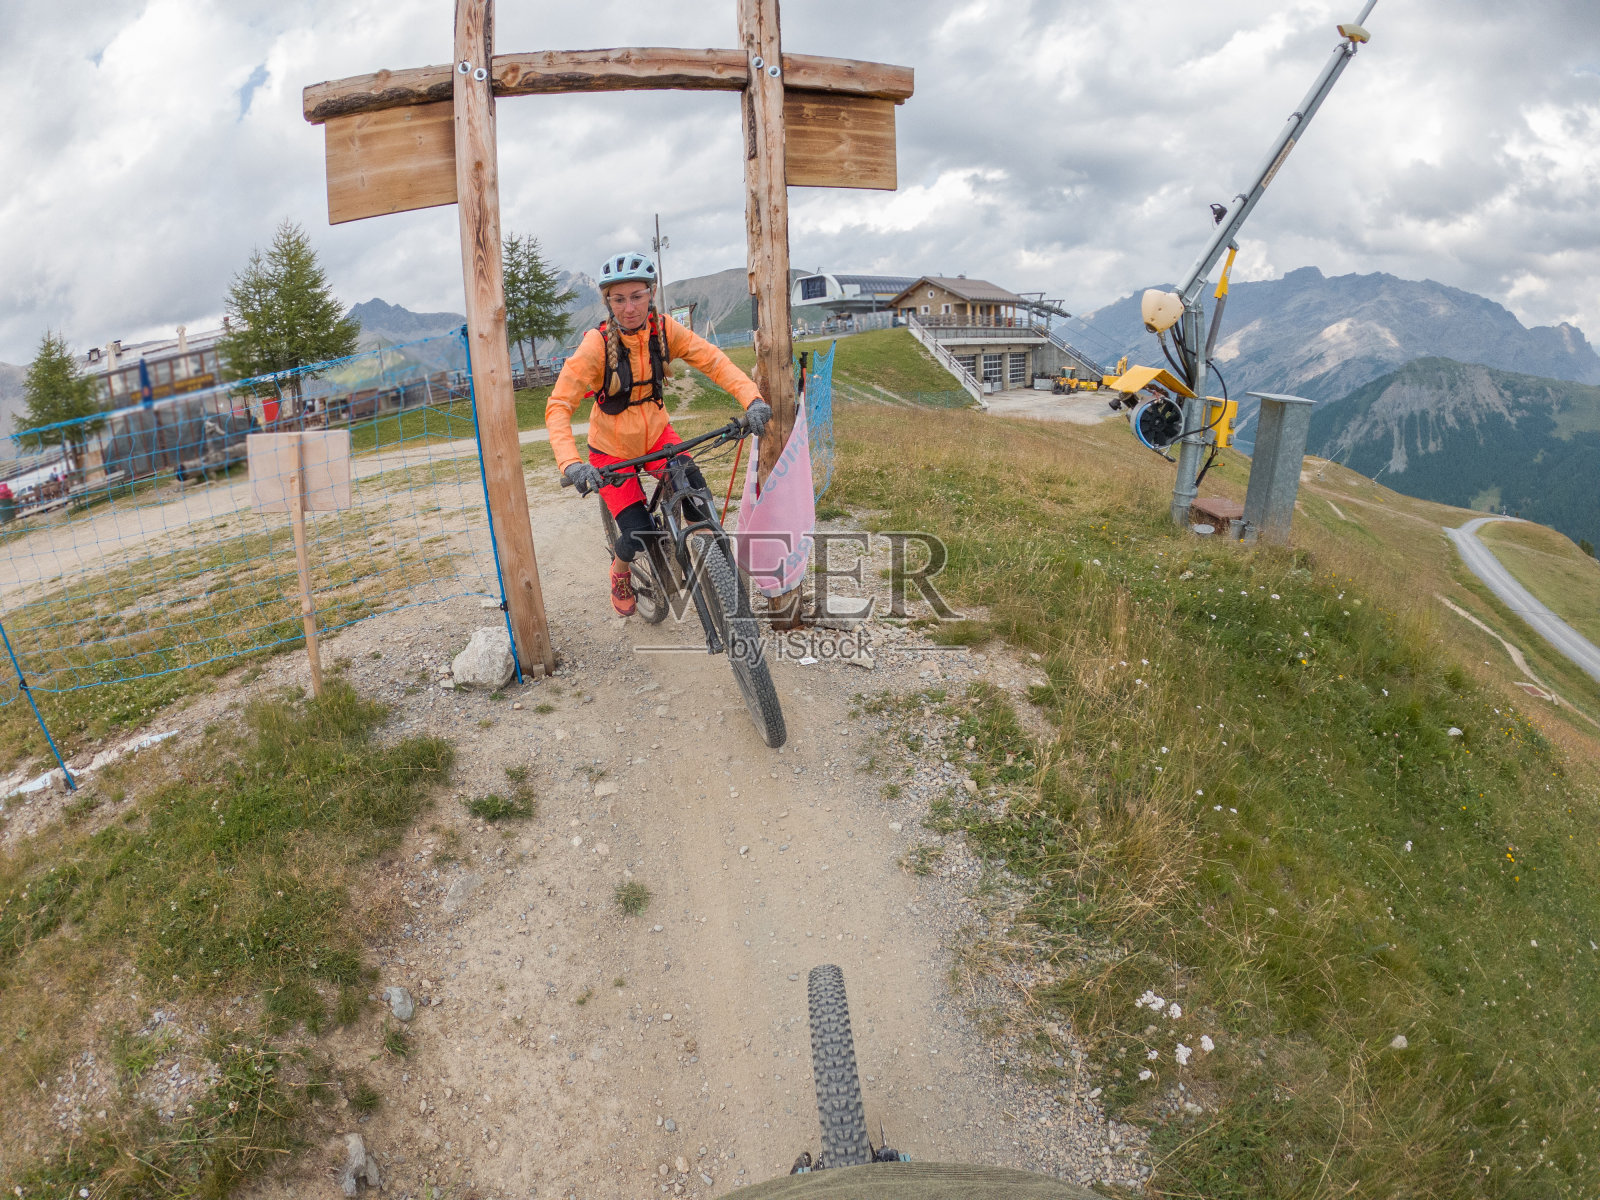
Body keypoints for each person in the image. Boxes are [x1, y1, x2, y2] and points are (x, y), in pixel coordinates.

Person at [546, 249, 772, 617]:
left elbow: (713, 361)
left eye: (636, 296)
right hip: (610, 452)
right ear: (608, 301)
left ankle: (715, 571)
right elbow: (558, 405)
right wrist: (571, 464)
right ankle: (619, 572)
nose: (629, 307)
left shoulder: (665, 331)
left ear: (650, 294)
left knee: (698, 500)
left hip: (658, 438)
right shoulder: (597, 345)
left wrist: (752, 399)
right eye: (619, 299)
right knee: (638, 535)